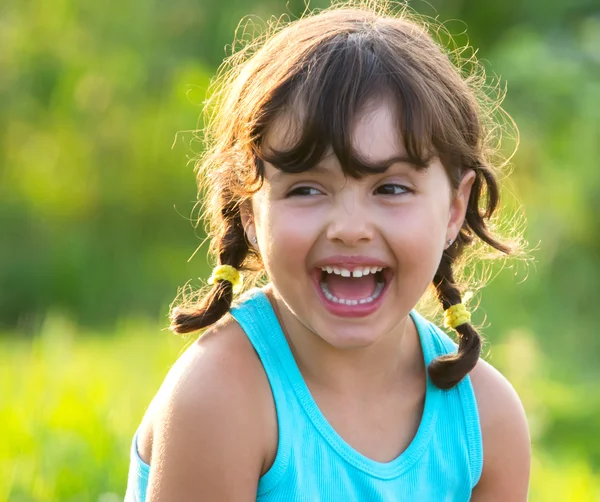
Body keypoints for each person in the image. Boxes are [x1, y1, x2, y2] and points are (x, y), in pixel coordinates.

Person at [125, 1, 531, 500]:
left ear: (454, 207)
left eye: (391, 188)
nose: (350, 228)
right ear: (250, 213)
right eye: (306, 189)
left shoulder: (486, 421)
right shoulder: (222, 397)